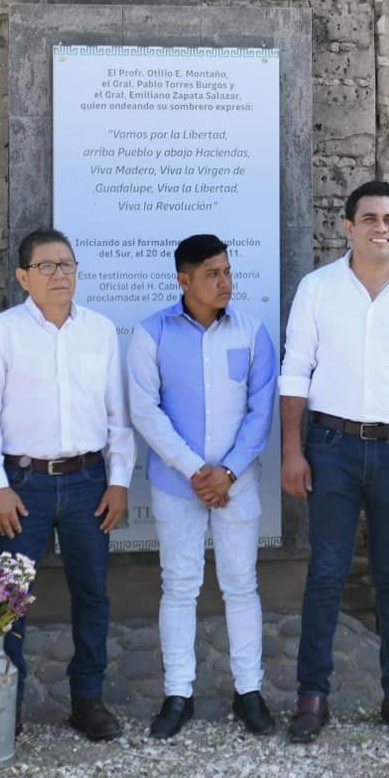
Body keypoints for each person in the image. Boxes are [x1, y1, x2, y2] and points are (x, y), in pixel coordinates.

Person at [278, 181, 389, 744]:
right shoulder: (318, 289)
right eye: (370, 217)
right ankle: (313, 696)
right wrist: (291, 449)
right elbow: (294, 372)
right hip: (330, 447)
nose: (382, 227)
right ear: (348, 226)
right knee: (326, 574)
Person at [0, 227, 135, 740]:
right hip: (22, 484)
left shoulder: (100, 331)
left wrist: (119, 481)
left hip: (88, 481)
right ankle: (6, 707)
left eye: (68, 265)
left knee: (93, 594)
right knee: (10, 598)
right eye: (47, 267)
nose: (60, 275)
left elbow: (117, 416)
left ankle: (88, 700)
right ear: (23, 277)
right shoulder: (3, 332)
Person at [126, 234, 279, 738]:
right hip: (178, 485)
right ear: (183, 280)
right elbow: (146, 410)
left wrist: (227, 472)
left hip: (237, 483)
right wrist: (197, 470)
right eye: (212, 273)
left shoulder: (254, 332)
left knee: (241, 585)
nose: (224, 282)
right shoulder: (151, 335)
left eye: (228, 271)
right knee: (180, 587)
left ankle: (249, 691)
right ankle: (178, 694)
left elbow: (261, 412)